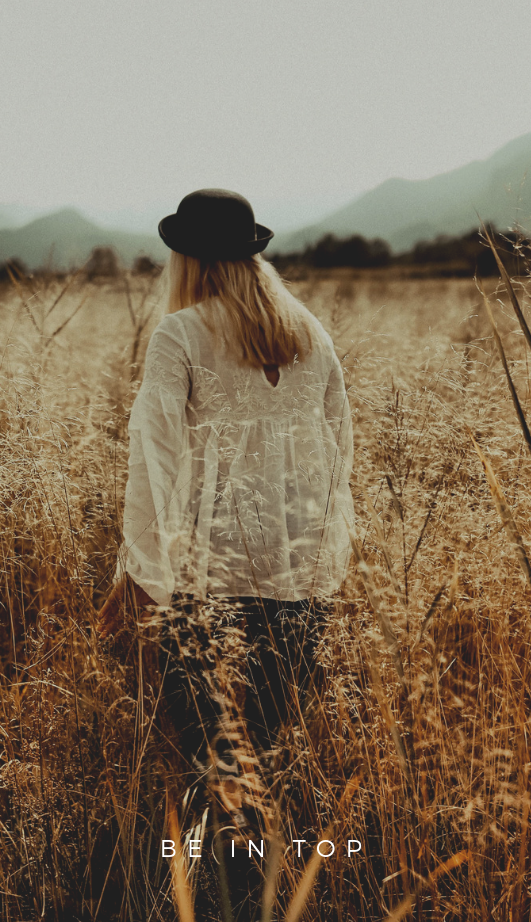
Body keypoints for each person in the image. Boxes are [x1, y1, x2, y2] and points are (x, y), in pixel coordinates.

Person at [97, 188, 354, 913]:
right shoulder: (311, 334)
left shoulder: (180, 333)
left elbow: (152, 461)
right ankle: (266, 895)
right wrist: (325, 563)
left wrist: (142, 573)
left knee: (210, 760)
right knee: (264, 754)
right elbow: (340, 454)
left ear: (187, 259)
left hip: (206, 581)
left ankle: (221, 900)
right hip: (298, 578)